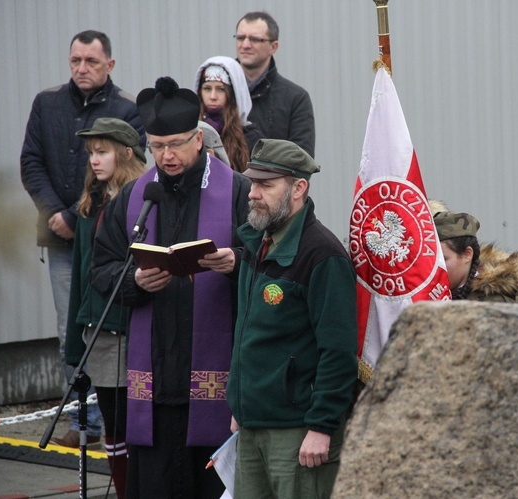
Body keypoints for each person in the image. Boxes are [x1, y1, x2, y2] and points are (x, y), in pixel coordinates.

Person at [90, 76, 251, 498]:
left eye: (177, 143)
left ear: (199, 138)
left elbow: (270, 260)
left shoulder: (236, 190)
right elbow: (102, 268)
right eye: (157, 146)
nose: (167, 155)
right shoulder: (135, 197)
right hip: (156, 385)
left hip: (219, 382)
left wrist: (237, 262)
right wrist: (135, 281)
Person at [20, 29, 144, 448]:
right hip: (59, 235)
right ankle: (84, 419)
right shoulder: (47, 102)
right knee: (70, 326)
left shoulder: (127, 108)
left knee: (110, 325)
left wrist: (77, 216)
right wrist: (56, 213)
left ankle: (107, 420)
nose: (81, 69)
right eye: (75, 60)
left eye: (91, 61)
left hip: (95, 227)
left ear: (109, 64)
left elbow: (131, 168)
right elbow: (31, 161)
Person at [226, 139, 358, 498]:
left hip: (298, 433)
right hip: (252, 425)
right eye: (253, 183)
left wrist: (321, 426)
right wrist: (240, 405)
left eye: (266, 185)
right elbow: (248, 333)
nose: (253, 193)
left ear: (299, 188)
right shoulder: (257, 242)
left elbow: (339, 351)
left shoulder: (322, 254)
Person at [66, 118, 146, 497]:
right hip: (98, 331)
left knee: (139, 422)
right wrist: (74, 349)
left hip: (135, 329)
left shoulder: (144, 201)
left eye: (103, 152)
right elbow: (81, 281)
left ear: (127, 153)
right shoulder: (88, 207)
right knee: (113, 422)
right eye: (91, 154)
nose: (94, 161)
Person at [234, 11, 315, 156]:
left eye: (254, 39)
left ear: (273, 47)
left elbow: (302, 160)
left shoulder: (296, 98)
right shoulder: (218, 92)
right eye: (241, 38)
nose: (245, 45)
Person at [433, 210, 518, 301]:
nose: (435, 269)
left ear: (467, 254)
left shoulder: (493, 301)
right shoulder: (429, 294)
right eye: (431, 261)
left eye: (443, 260)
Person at [194, 56, 263, 171]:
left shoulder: (250, 137)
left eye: (220, 89)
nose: (213, 97)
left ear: (233, 94)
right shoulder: (190, 134)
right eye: (207, 88)